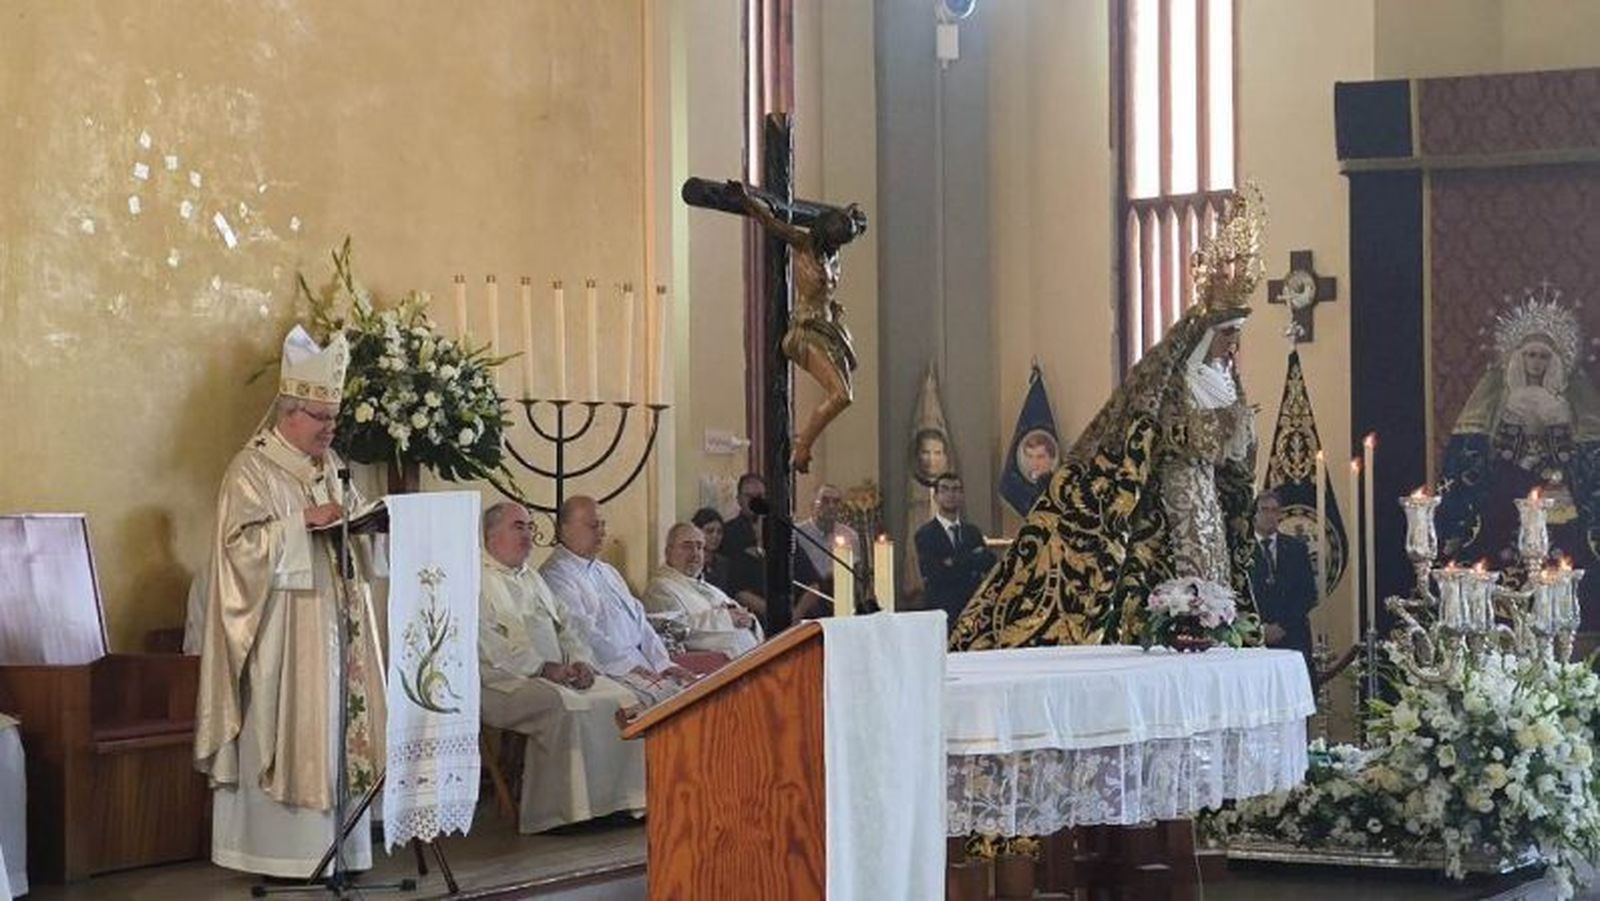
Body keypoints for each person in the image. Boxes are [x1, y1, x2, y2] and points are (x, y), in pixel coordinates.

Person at [951, 185, 1266, 651]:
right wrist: (1216, 431)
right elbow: (1151, 436)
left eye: (1238, 335)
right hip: (1168, 498)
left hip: (1207, 497)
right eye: (1228, 334)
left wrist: (1238, 435)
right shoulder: (1173, 378)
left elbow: (1233, 457)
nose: (1233, 346)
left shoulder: (1225, 381)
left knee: (1214, 564)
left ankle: (1215, 630)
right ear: (1206, 332)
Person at [194, 325, 388, 877]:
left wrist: (368, 522)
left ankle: (340, 852)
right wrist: (301, 521)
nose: (331, 429)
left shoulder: (329, 467)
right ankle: (281, 854)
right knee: (292, 728)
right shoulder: (250, 469)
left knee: (338, 724)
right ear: (288, 412)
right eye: (321, 419)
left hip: (338, 620)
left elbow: (347, 516)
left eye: (334, 419)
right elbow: (235, 550)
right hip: (283, 630)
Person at [477, 501, 645, 833]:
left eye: (530, 527)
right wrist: (544, 668)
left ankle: (619, 803)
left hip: (557, 674)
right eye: (518, 527)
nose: (528, 536)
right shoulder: (476, 581)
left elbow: (568, 626)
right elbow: (490, 647)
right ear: (491, 535)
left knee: (623, 699)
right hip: (502, 682)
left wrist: (581, 661)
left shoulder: (533, 579)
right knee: (564, 706)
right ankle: (560, 815)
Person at [1438, 290, 1600, 614]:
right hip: (1509, 486)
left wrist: (1554, 440)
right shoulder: (1502, 398)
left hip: (1556, 491)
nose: (1536, 363)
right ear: (1518, 357)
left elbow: (1581, 454)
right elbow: (1482, 450)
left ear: (1554, 361)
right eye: (1531, 355)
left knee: (1564, 554)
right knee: (1499, 544)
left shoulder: (1566, 402)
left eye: (1543, 357)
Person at [737, 182, 866, 473]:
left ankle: (803, 444)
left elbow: (856, 221)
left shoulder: (833, 253)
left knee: (847, 396)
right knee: (841, 395)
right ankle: (803, 445)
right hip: (804, 330)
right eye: (834, 241)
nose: (837, 248)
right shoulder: (803, 244)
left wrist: (853, 215)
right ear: (824, 234)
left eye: (841, 243)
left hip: (828, 328)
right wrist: (745, 202)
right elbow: (771, 223)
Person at [540, 495, 698, 705]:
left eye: (603, 525)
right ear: (565, 529)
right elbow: (581, 631)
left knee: (694, 692)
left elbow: (639, 619)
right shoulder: (556, 575)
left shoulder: (608, 572)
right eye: (593, 526)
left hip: (643, 665)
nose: (602, 532)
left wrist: (663, 664)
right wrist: (627, 667)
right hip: (610, 670)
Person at [644, 523, 763, 658]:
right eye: (687, 546)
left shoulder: (710, 588)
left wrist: (750, 622)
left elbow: (741, 614)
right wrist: (726, 618)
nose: (695, 554)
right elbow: (673, 629)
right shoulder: (660, 589)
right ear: (668, 551)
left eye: (699, 547)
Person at [915, 474, 997, 631]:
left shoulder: (972, 532)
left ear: (961, 495)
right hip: (943, 612)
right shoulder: (926, 534)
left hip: (972, 611)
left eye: (956, 490)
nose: (950, 495)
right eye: (945, 490)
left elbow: (989, 562)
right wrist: (972, 559)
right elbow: (936, 574)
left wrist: (952, 562)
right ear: (936, 496)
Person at [1248, 491, 1317, 672]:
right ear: (1254, 514)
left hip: (1292, 634)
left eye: (1275, 510)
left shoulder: (1296, 548)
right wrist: (1261, 629)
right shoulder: (1242, 549)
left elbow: (1308, 593)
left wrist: (1282, 627)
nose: (1270, 515)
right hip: (1254, 636)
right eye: (1264, 510)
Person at [795, 483, 860, 578]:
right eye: (825, 501)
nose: (831, 506)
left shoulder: (850, 536)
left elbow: (854, 570)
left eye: (836, 502)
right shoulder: (798, 534)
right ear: (813, 505)